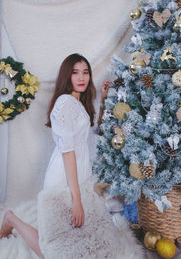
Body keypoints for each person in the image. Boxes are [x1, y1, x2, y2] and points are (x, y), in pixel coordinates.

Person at [0, 53, 117, 258]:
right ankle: (11, 219)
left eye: (85, 72)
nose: (81, 77)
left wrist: (103, 100)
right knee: (53, 252)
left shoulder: (78, 104)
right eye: (75, 73)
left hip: (79, 175)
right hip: (64, 176)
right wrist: (76, 199)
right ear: (67, 76)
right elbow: (68, 151)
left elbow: (93, 132)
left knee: (77, 239)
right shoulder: (65, 103)